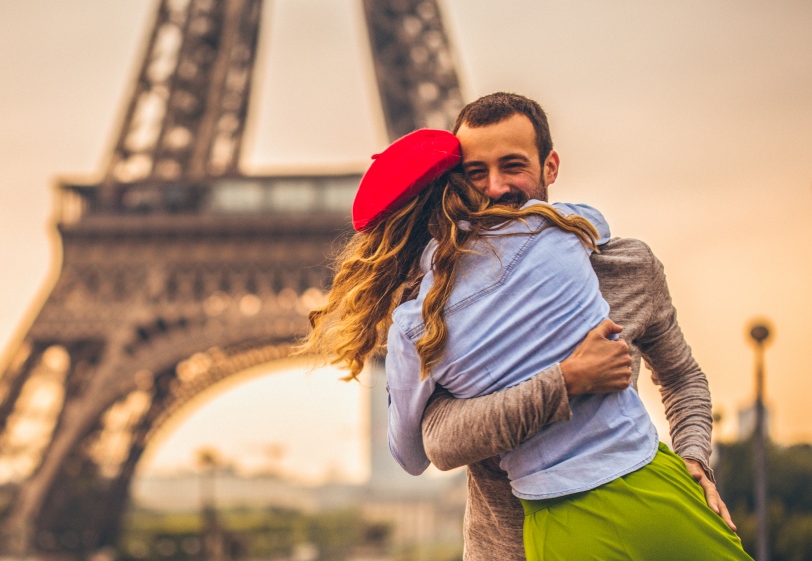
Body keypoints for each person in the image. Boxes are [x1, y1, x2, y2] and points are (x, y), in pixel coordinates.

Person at [299, 95, 749, 559]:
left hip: (640, 497)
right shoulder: (440, 313)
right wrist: (567, 380)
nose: (495, 188)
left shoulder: (630, 266)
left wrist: (695, 458)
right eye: (476, 173)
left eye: (513, 166)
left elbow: (681, 376)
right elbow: (439, 440)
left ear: (550, 166)